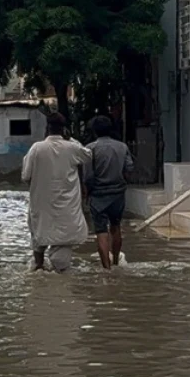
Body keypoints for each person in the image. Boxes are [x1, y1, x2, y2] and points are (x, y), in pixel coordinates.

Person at [21, 112, 90, 272]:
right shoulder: (72, 147)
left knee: (39, 236)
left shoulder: (36, 148)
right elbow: (87, 154)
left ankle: (39, 267)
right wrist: (70, 139)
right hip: (66, 205)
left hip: (41, 202)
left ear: (47, 128)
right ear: (63, 129)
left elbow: (26, 176)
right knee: (63, 241)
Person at [82, 115, 135, 269]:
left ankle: (106, 268)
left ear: (94, 131)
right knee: (116, 226)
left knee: (101, 231)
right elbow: (129, 169)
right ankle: (117, 261)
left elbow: (88, 176)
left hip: (98, 195)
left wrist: (87, 193)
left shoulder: (90, 149)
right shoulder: (122, 147)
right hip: (118, 193)